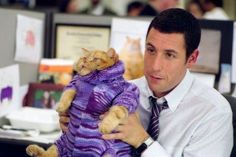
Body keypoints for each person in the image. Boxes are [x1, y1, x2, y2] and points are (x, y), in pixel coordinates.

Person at [59, 8, 233, 157]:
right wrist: (74, 127)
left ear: (192, 58)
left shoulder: (213, 112)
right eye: (151, 50)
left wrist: (142, 141)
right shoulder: (124, 91)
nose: (155, 66)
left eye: (169, 55)